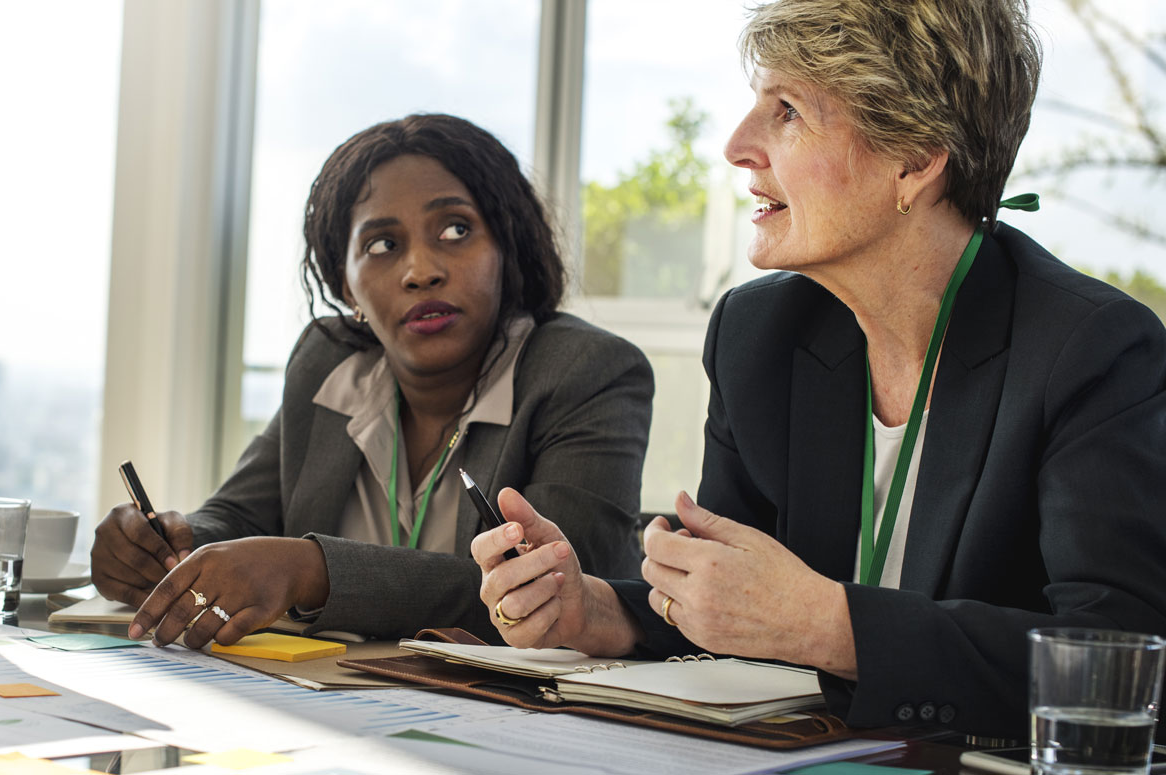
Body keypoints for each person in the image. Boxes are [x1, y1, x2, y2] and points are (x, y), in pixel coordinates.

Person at [471, 0, 1166, 739]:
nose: (738, 146)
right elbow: (736, 609)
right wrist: (593, 609)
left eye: (788, 112)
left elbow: (1120, 659)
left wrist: (832, 625)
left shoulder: (1091, 348)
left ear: (917, 159)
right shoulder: (757, 333)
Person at [91, 114, 653, 649]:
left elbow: (558, 595)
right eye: (382, 244)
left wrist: (313, 572)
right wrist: (170, 544)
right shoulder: (329, 365)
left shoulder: (587, 373)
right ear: (347, 285)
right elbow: (239, 517)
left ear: (508, 246)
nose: (421, 270)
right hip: (347, 699)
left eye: (456, 230)